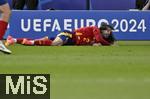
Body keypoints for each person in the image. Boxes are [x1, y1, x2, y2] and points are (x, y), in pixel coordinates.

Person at [5, 23, 116, 46]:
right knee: (55, 43)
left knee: (42, 39)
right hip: (69, 35)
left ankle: (12, 40)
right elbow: (99, 39)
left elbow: (96, 42)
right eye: (108, 31)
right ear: (104, 28)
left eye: (110, 33)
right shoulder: (95, 29)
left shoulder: (96, 40)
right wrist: (109, 45)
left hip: (71, 42)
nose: (108, 33)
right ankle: (31, 42)